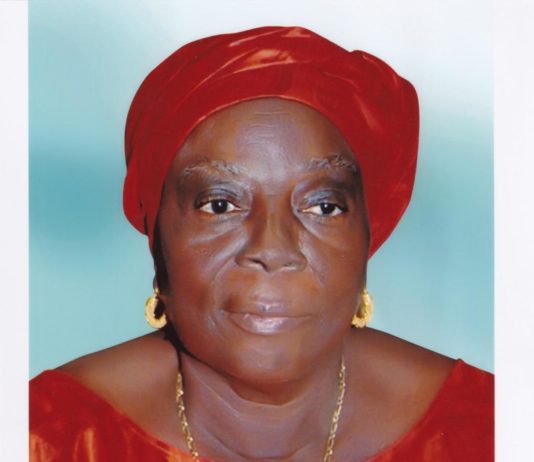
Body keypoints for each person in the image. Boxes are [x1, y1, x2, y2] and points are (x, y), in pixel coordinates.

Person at [30, 26, 493, 462]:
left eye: (324, 206)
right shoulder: (49, 437)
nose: (273, 249)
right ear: (158, 238)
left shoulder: (489, 430)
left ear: (368, 236)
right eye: (219, 205)